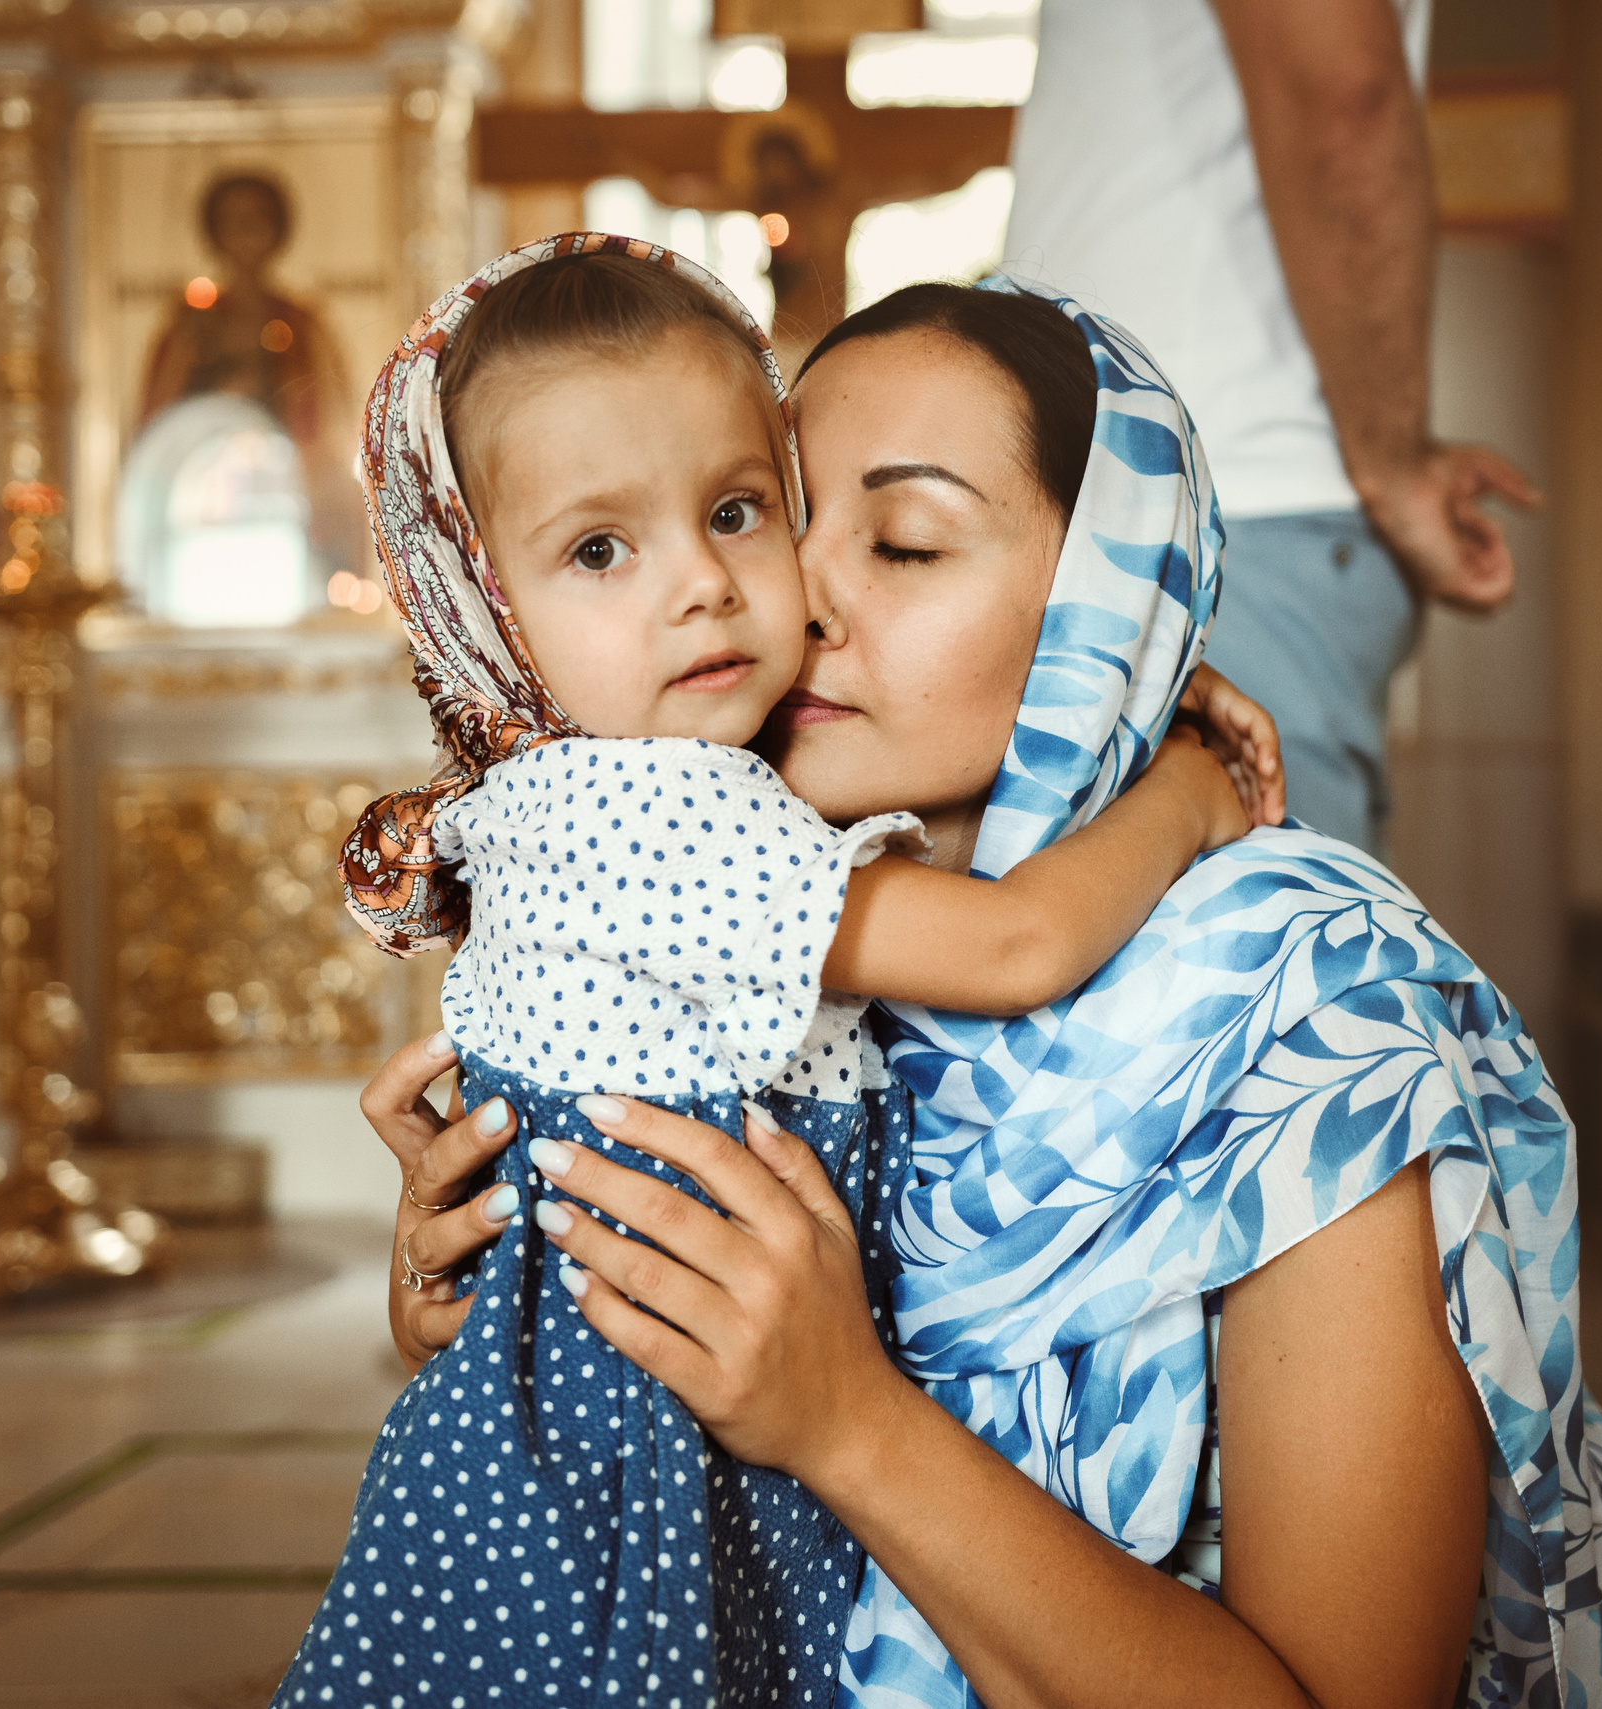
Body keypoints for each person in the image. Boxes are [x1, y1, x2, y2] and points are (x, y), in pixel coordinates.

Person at [365, 279, 1602, 1706]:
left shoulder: (1304, 1006)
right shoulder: (785, 950)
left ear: (1105, 610)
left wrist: (847, 1423)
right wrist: (493, 1275)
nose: (780, 598)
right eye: (780, 512)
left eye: (901, 541)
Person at [272, 235, 1278, 1709]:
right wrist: (1189, 782)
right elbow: (1017, 944)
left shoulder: (650, 790)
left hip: (645, 1417)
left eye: (740, 512)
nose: (717, 592)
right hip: (629, 1470)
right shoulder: (650, 808)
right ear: (484, 610)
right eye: (601, 549)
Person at [1000, 0, 1542, 855]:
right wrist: (1394, 460)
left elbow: (1342, 89)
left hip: (1201, 493)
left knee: (1263, 961)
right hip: (1195, 490)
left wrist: (1393, 459)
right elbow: (1342, 90)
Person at [137, 171, 361, 580]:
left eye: (256, 219)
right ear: (213, 233)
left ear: (278, 230)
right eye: (232, 221)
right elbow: (158, 420)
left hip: (286, 495)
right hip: (204, 498)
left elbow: (330, 419)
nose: (245, 232)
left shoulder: (302, 324)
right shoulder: (188, 326)